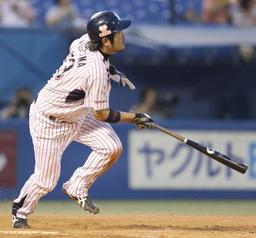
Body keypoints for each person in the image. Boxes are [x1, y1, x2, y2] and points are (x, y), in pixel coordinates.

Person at [11, 10, 153, 229]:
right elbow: (102, 114)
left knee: (111, 147)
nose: (123, 34)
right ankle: (20, 212)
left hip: (75, 113)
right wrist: (135, 117)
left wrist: (113, 72)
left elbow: (85, 56)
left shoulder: (87, 40)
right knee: (45, 181)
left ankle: (77, 186)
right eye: (118, 32)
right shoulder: (94, 72)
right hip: (50, 121)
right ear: (106, 40)